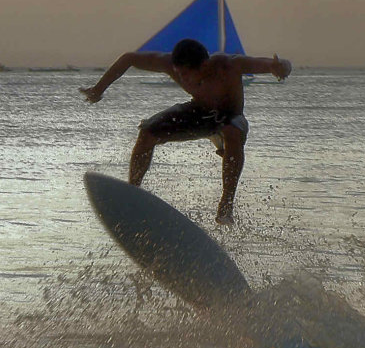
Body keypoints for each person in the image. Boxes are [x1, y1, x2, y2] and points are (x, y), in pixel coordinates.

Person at [80, 38, 292, 225]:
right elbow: (128, 59)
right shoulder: (169, 64)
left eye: (191, 75)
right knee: (147, 132)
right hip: (198, 113)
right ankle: (133, 191)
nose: (187, 80)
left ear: (205, 64)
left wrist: (281, 67)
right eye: (181, 75)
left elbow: (273, 65)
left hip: (230, 116)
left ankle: (226, 203)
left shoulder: (228, 64)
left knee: (231, 131)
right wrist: (99, 89)